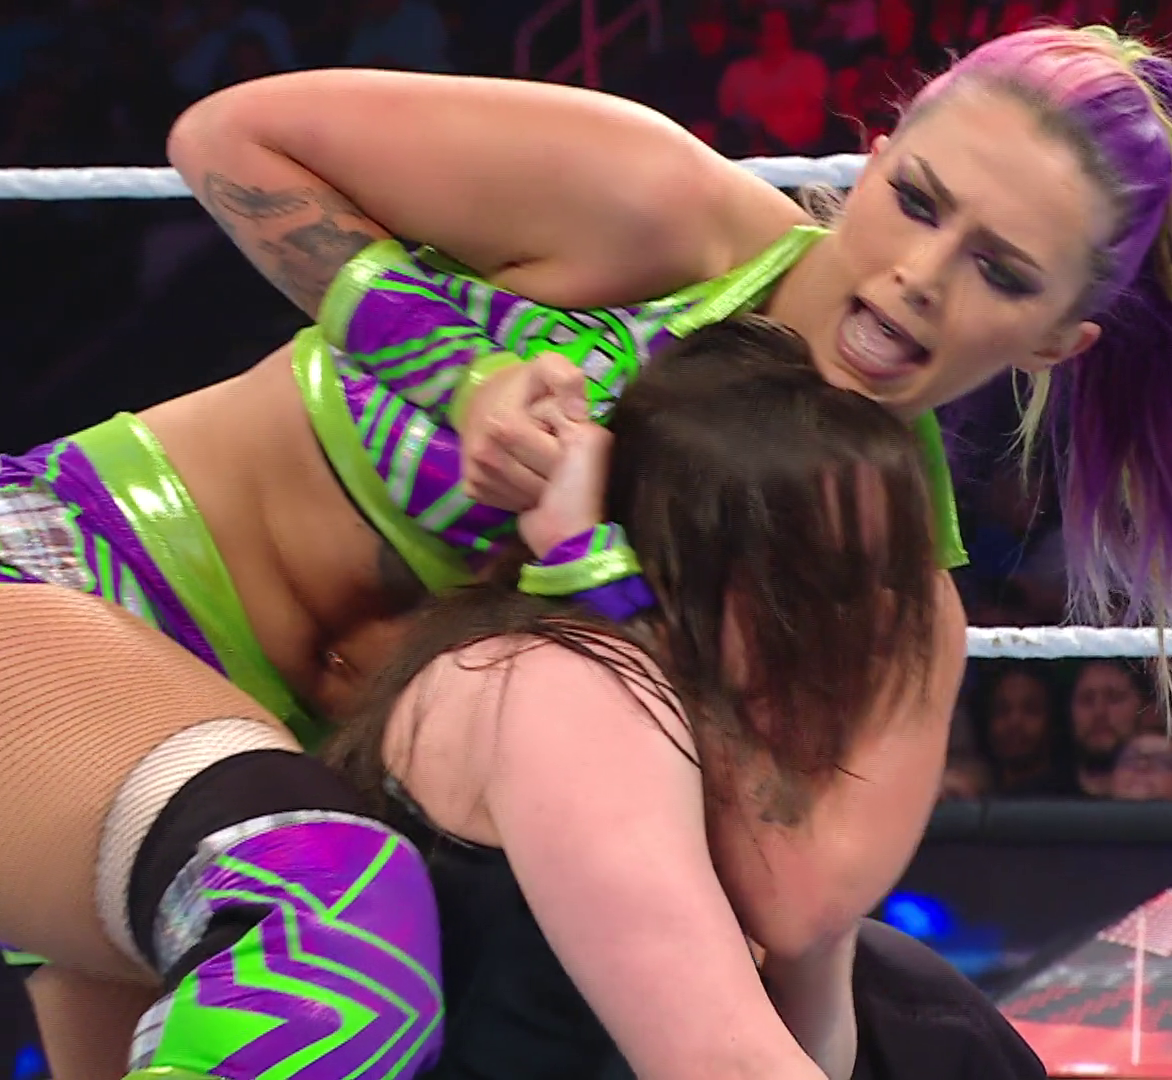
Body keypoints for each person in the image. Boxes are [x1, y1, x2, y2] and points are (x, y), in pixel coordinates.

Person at [3, 23, 1172, 1071]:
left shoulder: (883, 590)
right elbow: (231, 139)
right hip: (73, 586)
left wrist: (595, 571)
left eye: (1002, 269)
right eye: (917, 202)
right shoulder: (661, 210)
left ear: (1057, 340)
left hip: (268, 789)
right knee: (329, 931)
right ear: (873, 158)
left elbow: (794, 922)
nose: (923, 274)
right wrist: (457, 372)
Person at [0, 320, 987, 1080]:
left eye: (880, 580)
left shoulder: (690, 713)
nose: (863, 625)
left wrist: (814, 900)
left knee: (927, 1012)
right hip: (67, 622)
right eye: (820, 581)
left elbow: (807, 1033)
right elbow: (724, 1065)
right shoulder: (565, 687)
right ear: (698, 564)